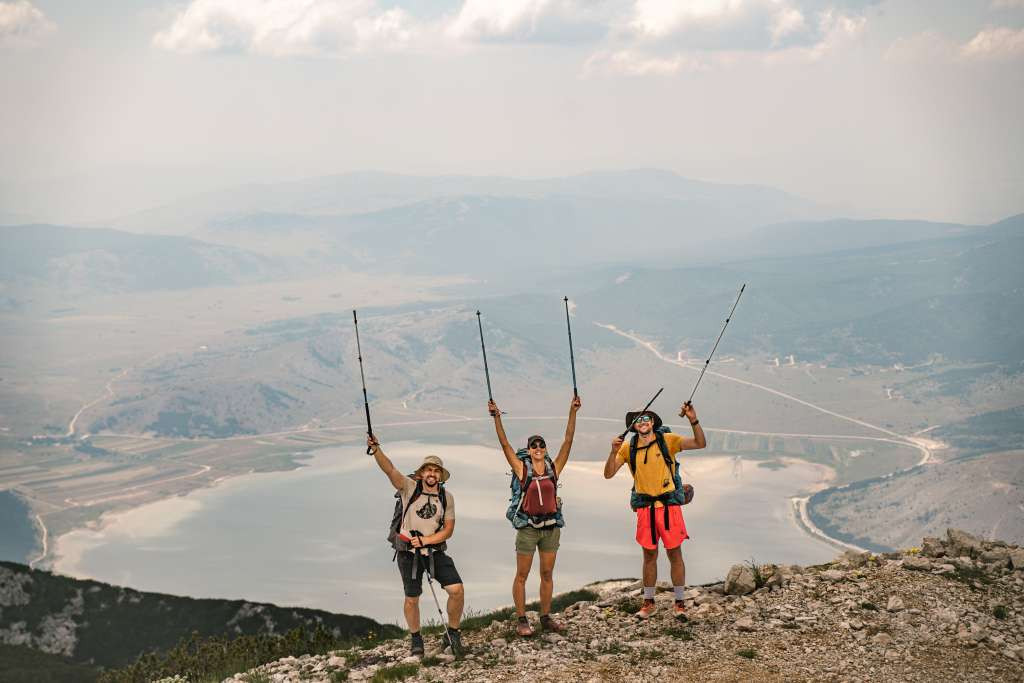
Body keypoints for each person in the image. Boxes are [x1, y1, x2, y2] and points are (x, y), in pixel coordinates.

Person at [489, 395, 581, 636]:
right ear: (529, 451)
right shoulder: (522, 469)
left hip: (551, 527)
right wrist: (497, 418)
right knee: (522, 575)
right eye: (534, 446)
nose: (538, 449)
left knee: (547, 574)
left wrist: (573, 412)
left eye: (541, 445)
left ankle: (545, 617)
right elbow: (505, 444)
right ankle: (521, 619)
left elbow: (568, 441)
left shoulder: (554, 468)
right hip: (528, 528)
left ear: (545, 449)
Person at [603, 401, 705, 619]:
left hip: (669, 507)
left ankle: (679, 603)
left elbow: (700, 443)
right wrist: (612, 452)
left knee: (674, 554)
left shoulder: (667, 440)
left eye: (646, 418)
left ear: (652, 422)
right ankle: (648, 603)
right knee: (649, 556)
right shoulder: (627, 448)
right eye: (638, 420)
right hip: (646, 508)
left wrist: (693, 419)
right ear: (633, 426)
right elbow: (609, 473)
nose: (642, 422)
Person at [369, 435, 464, 656]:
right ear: (421, 473)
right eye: (428, 470)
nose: (432, 474)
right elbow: (390, 470)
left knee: (456, 590)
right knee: (412, 598)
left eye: (436, 470)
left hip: (433, 550)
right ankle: (416, 638)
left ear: (440, 476)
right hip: (408, 553)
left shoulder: (446, 497)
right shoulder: (409, 487)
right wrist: (376, 450)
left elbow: (448, 530)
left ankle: (453, 633)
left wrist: (426, 541)